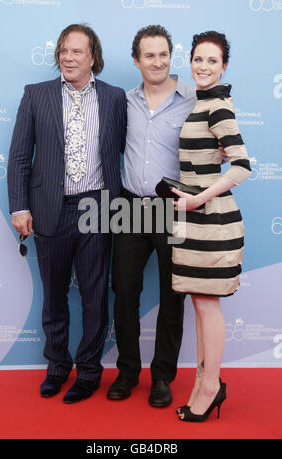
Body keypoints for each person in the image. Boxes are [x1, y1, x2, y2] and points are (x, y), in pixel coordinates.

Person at [7, 24, 127, 403]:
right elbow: (20, 156)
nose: (68, 57)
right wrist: (19, 206)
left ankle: (89, 372)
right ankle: (57, 367)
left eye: (77, 51)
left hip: (98, 207)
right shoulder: (36, 95)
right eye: (63, 50)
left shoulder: (115, 98)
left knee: (95, 296)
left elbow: (137, 145)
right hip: (49, 210)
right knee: (54, 296)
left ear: (93, 57)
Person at [107, 25, 196, 407]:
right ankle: (127, 372)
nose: (157, 62)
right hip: (129, 206)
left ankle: (162, 377)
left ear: (170, 56)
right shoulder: (123, 102)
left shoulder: (192, 100)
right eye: (149, 55)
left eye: (163, 54)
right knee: (124, 291)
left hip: (172, 209)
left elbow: (213, 144)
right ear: (136, 60)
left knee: (172, 295)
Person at [172, 31, 251, 422]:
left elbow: (242, 165)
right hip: (193, 219)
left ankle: (211, 385)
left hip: (212, 220)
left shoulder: (217, 105)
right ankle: (205, 380)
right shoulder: (205, 103)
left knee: (207, 305)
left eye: (212, 61)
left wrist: (199, 198)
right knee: (201, 304)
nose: (203, 67)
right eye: (198, 59)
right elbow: (211, 155)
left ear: (223, 67)